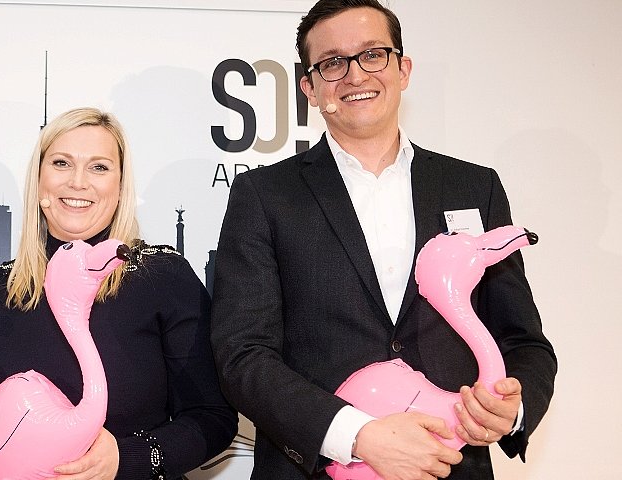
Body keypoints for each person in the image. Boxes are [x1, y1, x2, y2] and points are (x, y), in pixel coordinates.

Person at [210, 1, 557, 479]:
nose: (355, 75)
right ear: (309, 87)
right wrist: (357, 435)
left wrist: (512, 408)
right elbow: (242, 355)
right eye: (332, 62)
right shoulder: (264, 195)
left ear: (403, 68)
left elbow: (524, 339)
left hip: (452, 465)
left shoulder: (475, 187)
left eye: (373, 54)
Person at [0, 107, 237, 479]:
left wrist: (127, 457)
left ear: (120, 187)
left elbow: (213, 418)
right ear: (38, 180)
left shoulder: (164, 278)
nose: (78, 182)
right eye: (61, 163)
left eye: (99, 167)